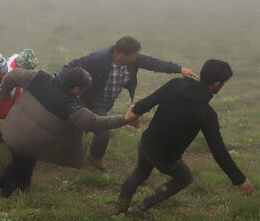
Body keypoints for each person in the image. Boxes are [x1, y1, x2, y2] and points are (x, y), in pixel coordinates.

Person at [114, 59, 254, 220]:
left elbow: (147, 102)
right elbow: (218, 151)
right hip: (166, 157)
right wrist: (240, 179)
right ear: (216, 84)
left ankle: (120, 207)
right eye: (223, 83)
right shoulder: (206, 113)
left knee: (140, 172)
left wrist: (134, 113)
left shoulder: (175, 84)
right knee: (184, 177)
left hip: (147, 142)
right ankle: (142, 207)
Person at [0, 67, 138, 198]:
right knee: (24, 166)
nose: (82, 93)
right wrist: (125, 119)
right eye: (83, 90)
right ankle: (7, 193)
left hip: (12, 130)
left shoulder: (39, 77)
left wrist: (3, 91)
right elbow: (95, 122)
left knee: (20, 159)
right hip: (31, 144)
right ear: (76, 89)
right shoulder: (72, 106)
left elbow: (14, 74)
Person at [58, 36, 197, 170]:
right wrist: (58, 82)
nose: (135, 59)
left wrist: (179, 69)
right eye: (133, 55)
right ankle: (95, 157)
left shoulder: (133, 59)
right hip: (93, 100)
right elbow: (73, 65)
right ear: (119, 53)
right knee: (102, 131)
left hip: (107, 101)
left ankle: (67, 147)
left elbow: (153, 63)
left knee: (84, 127)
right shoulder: (98, 59)